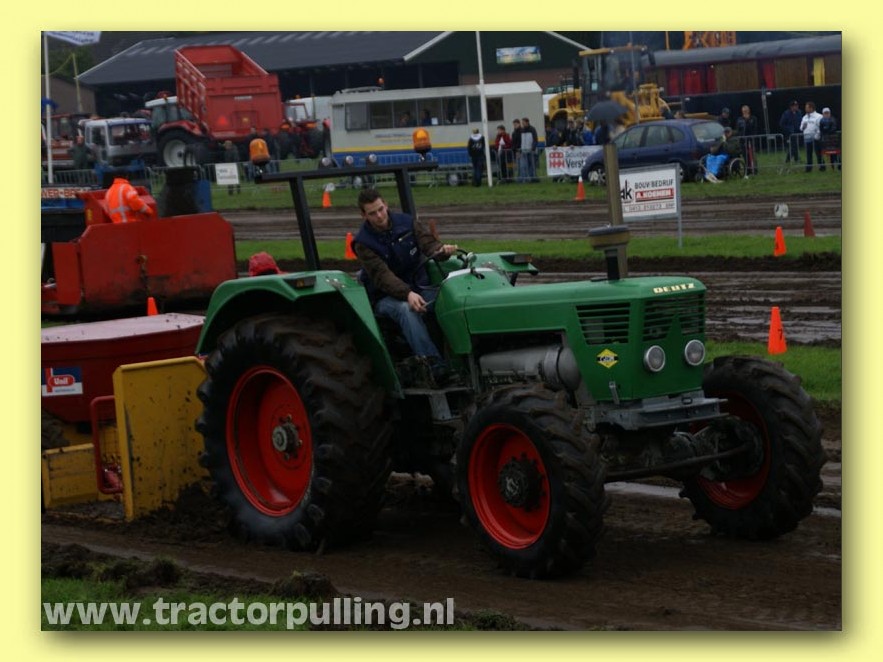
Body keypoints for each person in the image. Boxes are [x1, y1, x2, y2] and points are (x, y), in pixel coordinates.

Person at [352, 189, 458, 384]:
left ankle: (461, 359)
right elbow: (382, 276)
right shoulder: (363, 243)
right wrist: (407, 293)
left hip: (418, 286)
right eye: (373, 213)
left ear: (386, 205)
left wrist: (442, 251)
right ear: (363, 215)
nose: (379, 216)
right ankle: (434, 367)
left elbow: (428, 244)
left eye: (381, 209)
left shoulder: (407, 223)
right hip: (385, 297)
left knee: (451, 298)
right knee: (407, 310)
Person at [799, 101, 824, 172]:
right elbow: (800, 128)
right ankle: (809, 167)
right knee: (808, 153)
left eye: (807, 107)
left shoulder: (819, 116)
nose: (805, 109)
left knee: (818, 153)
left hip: (816, 138)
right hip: (807, 137)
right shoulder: (804, 117)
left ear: (811, 108)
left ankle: (822, 166)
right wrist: (803, 127)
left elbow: (820, 127)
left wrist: (817, 135)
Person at [735, 105, 759, 175]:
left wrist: (747, 121)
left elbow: (754, 128)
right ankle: (748, 170)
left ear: (749, 111)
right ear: (742, 111)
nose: (745, 112)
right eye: (744, 111)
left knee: (753, 155)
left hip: (751, 139)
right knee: (745, 156)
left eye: (746, 110)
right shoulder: (739, 119)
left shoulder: (753, 118)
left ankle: (754, 170)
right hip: (742, 140)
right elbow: (738, 129)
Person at [518, 116, 539, 183]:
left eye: (523, 122)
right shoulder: (522, 130)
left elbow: (535, 139)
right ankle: (525, 178)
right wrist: (520, 150)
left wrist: (533, 148)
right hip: (523, 150)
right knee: (523, 165)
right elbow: (520, 141)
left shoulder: (532, 129)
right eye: (522, 122)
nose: (522, 124)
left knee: (531, 165)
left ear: (527, 122)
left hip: (531, 150)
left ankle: (532, 178)